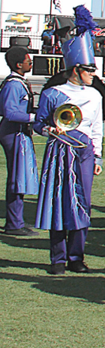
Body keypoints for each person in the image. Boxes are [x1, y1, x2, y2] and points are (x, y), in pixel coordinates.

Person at [34, 6, 105, 274]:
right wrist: (50, 131)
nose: (93, 74)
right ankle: (57, 259)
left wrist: (97, 156)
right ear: (76, 69)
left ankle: (77, 257)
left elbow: (96, 127)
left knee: (81, 202)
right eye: (89, 69)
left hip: (84, 151)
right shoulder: (52, 93)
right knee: (57, 201)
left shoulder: (96, 96)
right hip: (58, 151)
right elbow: (38, 124)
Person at [2, 46, 39, 235]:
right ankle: (13, 223)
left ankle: (16, 220)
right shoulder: (13, 85)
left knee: (20, 177)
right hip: (13, 132)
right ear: (18, 64)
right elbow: (9, 112)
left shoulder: (20, 83)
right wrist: (34, 117)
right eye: (28, 60)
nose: (30, 63)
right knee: (17, 178)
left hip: (19, 132)